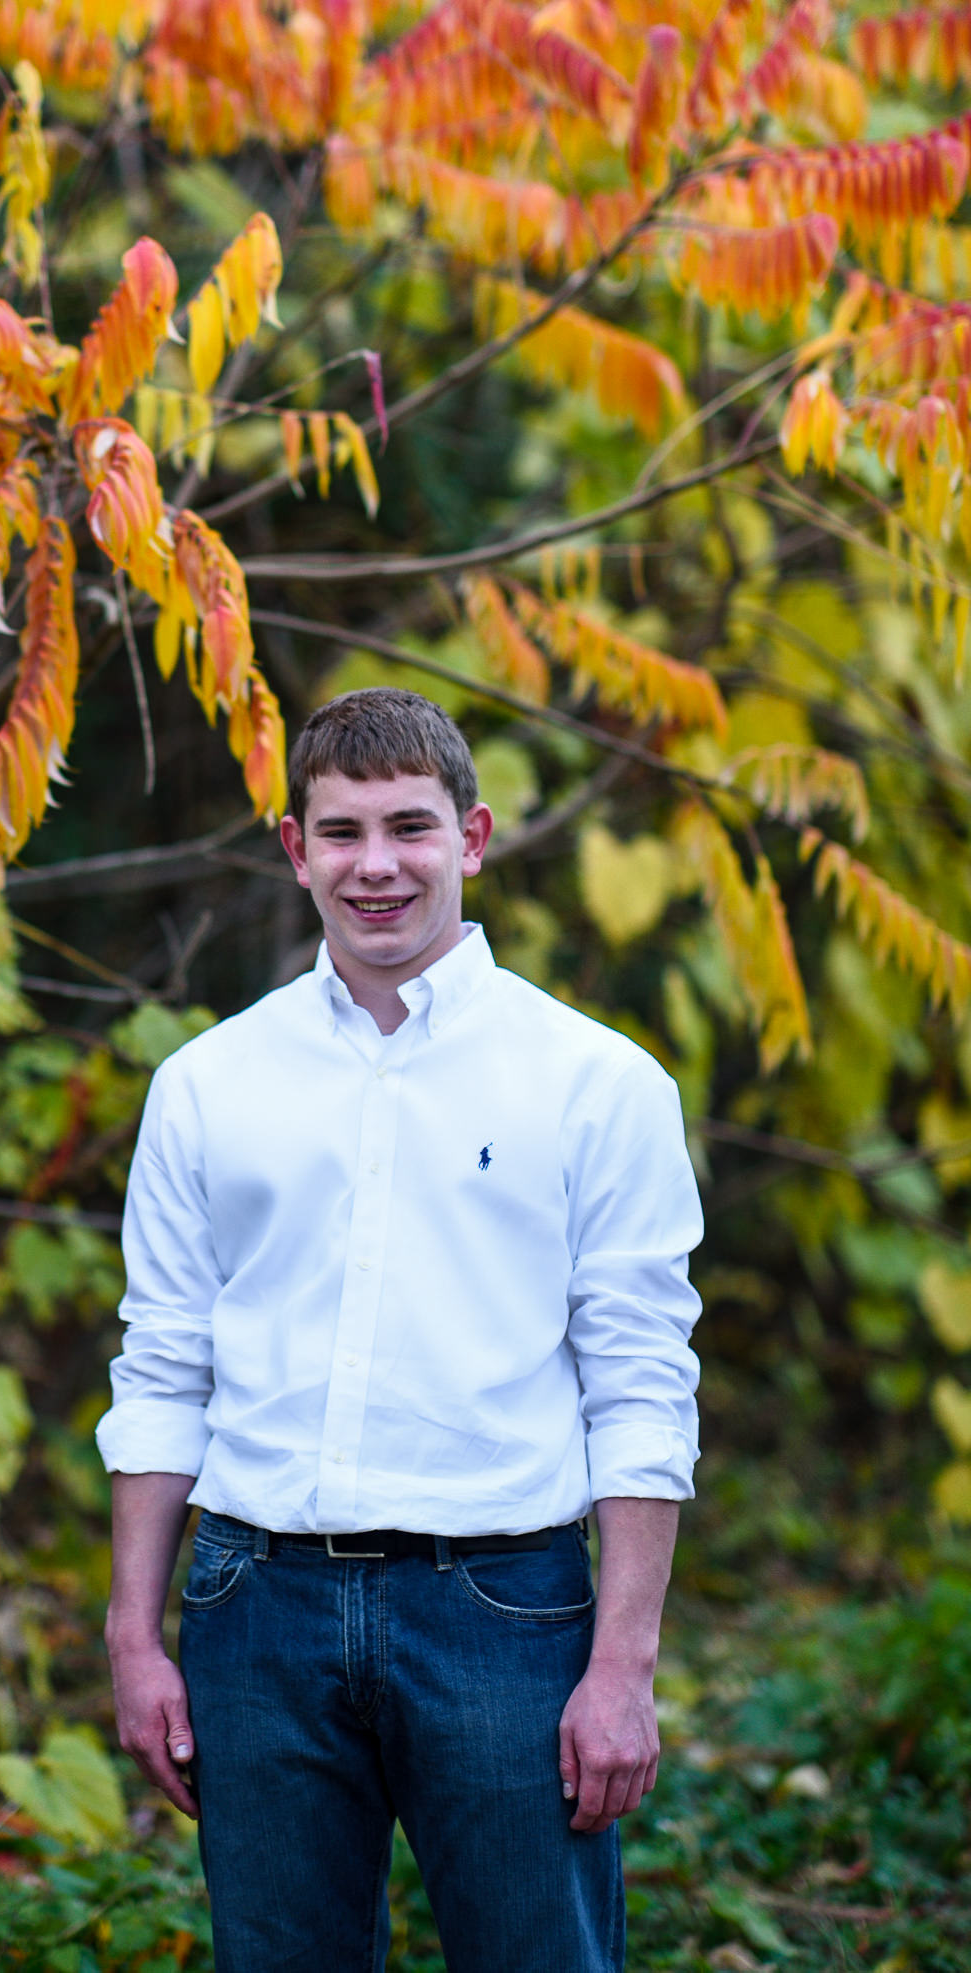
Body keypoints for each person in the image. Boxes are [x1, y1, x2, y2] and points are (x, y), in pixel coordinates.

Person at [95, 687, 703, 1973]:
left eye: (410, 828)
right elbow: (162, 1366)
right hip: (254, 1606)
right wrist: (133, 1637)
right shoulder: (208, 1084)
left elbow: (641, 1389)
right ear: (293, 848)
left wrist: (622, 1668)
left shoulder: (594, 1084)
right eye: (342, 832)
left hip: (501, 1609)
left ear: (472, 839)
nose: (376, 866)